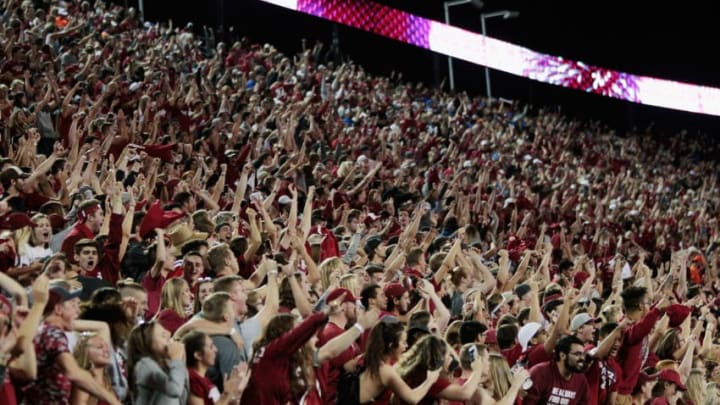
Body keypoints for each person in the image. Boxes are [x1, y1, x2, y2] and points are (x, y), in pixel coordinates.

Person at [24, 280, 120, 405]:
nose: (78, 312)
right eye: (73, 305)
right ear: (58, 309)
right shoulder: (52, 333)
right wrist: (113, 401)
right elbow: (74, 373)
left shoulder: (43, 331)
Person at [358, 317, 440, 404]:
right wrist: (430, 379)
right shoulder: (385, 371)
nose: (406, 346)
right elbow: (413, 398)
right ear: (391, 345)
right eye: (403, 342)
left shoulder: (367, 358)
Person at [127, 321, 189, 404]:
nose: (169, 337)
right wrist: (177, 360)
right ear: (147, 341)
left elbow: (182, 398)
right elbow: (175, 390)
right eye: (163, 335)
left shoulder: (167, 366)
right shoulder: (144, 364)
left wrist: (182, 362)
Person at [182, 331, 251, 405]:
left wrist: (236, 393)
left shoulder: (205, 380)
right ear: (198, 355)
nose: (216, 349)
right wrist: (226, 394)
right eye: (211, 347)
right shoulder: (192, 380)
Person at [523, 335, 589, 405]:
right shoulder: (539, 373)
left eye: (583, 354)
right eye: (577, 354)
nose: (582, 358)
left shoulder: (581, 380)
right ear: (562, 355)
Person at [71, 332, 114, 405]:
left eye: (107, 346)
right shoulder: (84, 379)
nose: (106, 350)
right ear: (86, 352)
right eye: (99, 347)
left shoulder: (106, 380)